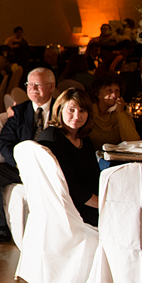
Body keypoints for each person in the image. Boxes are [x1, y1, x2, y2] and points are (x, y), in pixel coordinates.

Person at [0, 68, 56, 244]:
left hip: (52, 169)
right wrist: (19, 163)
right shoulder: (19, 111)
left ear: (51, 87)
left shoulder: (62, 109)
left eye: (38, 85)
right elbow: (4, 142)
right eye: (29, 84)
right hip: (21, 168)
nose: (32, 88)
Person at [37, 88, 101, 226]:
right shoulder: (52, 136)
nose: (77, 116)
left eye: (82, 110)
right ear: (60, 109)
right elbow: (69, 186)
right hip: (70, 206)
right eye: (71, 110)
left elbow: (96, 176)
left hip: (87, 200)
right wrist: (102, 204)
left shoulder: (84, 138)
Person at [87, 72, 138, 148]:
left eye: (117, 91)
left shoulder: (122, 115)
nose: (114, 95)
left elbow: (133, 142)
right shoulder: (89, 113)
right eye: (109, 90)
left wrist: (120, 113)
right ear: (98, 93)